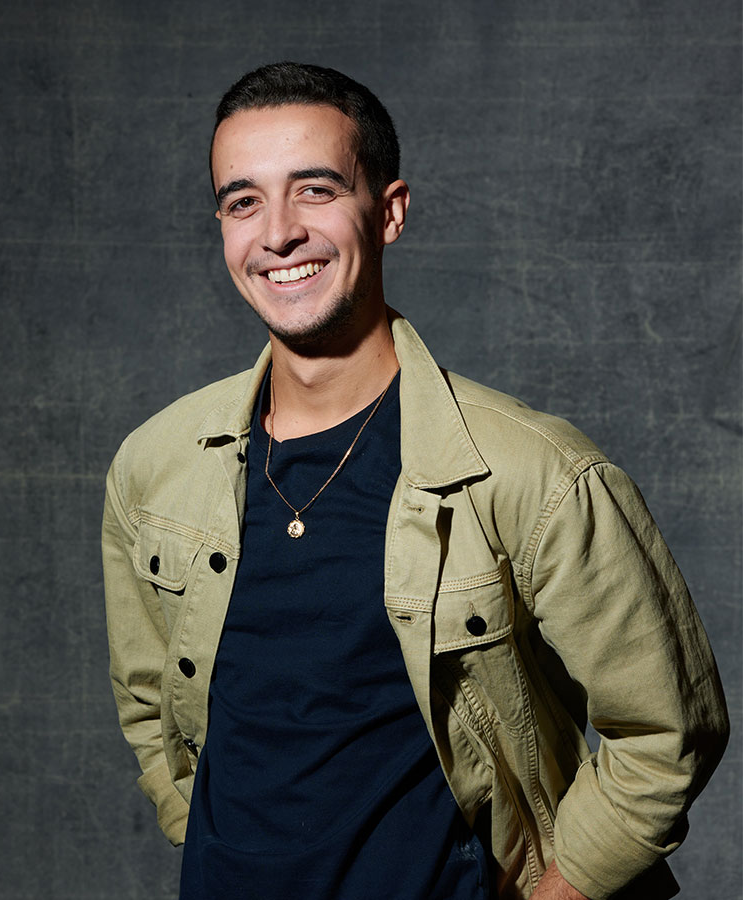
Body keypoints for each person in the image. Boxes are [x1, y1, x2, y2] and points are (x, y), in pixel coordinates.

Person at [102, 62, 728, 900]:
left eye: (315, 190)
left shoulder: (531, 472)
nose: (277, 233)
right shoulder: (156, 467)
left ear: (389, 211)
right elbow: (153, 714)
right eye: (242, 201)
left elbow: (667, 732)